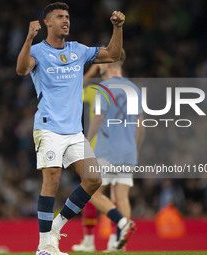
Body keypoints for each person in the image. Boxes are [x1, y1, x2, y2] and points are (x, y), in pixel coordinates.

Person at [16, 2, 130, 255]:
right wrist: (28, 38)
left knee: (93, 180)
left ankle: (55, 226)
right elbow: (22, 69)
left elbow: (112, 54)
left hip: (74, 131)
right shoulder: (37, 51)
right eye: (59, 17)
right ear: (47, 22)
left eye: (67, 16)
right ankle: (44, 245)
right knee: (53, 177)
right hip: (48, 128)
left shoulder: (78, 50)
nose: (66, 20)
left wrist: (118, 28)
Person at [72, 50, 145, 252]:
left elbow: (99, 117)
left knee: (91, 193)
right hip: (128, 150)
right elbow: (141, 125)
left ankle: (122, 223)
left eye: (103, 61)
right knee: (121, 195)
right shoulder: (134, 89)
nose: (100, 64)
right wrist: (135, 149)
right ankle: (121, 245)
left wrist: (86, 141)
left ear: (110, 63)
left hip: (106, 149)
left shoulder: (104, 87)